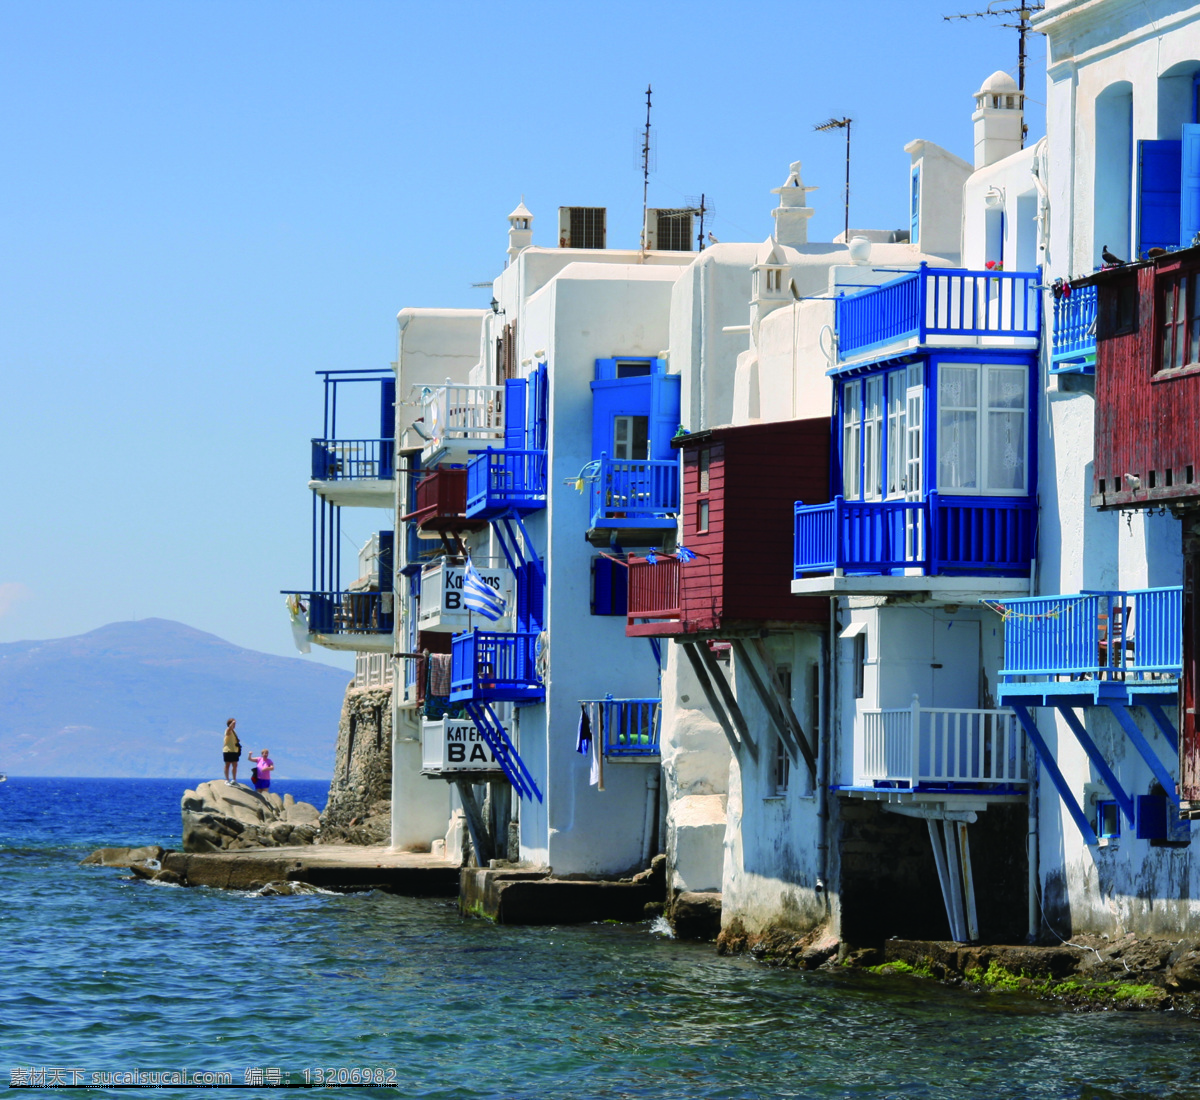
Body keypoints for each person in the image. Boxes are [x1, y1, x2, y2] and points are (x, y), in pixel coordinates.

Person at [222, 719, 242, 786]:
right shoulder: (228, 730)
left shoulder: (234, 731)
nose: (234, 725)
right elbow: (229, 729)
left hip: (234, 750)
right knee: (227, 765)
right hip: (228, 750)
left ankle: (234, 780)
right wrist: (232, 723)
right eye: (233, 724)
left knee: (235, 765)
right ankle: (227, 780)